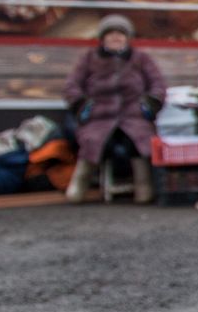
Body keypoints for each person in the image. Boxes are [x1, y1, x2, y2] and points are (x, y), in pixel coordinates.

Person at [63, 13, 166, 204]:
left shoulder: (141, 59)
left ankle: (144, 189)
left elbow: (158, 85)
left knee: (138, 141)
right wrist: (83, 107)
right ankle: (78, 187)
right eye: (111, 34)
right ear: (103, 38)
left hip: (134, 116)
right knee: (92, 142)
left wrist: (148, 106)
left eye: (120, 34)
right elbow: (72, 86)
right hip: (99, 117)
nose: (115, 38)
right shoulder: (89, 59)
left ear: (127, 38)